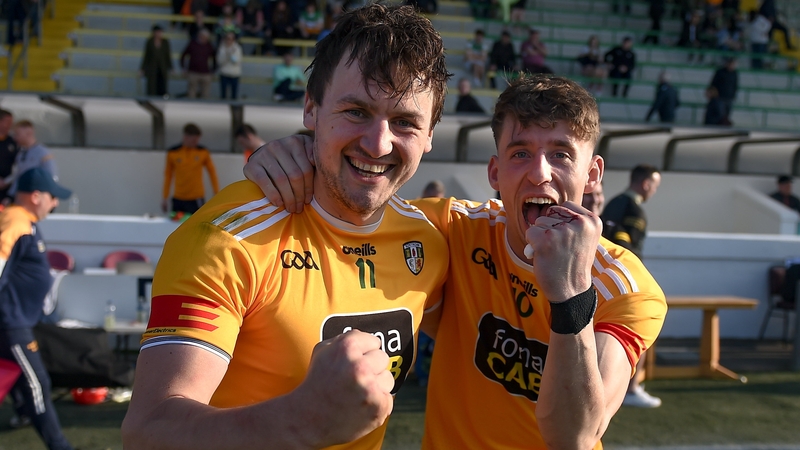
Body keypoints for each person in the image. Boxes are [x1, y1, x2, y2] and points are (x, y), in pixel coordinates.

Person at [245, 74, 668, 449]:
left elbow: (574, 437)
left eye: (561, 155)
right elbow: (354, 202)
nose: (540, 173)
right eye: (520, 153)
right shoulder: (454, 228)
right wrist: (302, 154)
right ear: (495, 173)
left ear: (592, 174)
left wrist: (570, 295)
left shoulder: (627, 289)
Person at [122, 5, 452, 449]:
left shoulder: (429, 239)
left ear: (430, 135)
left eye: (405, 122)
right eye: (356, 111)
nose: (378, 144)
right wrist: (302, 422)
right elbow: (148, 432)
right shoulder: (226, 239)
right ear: (311, 108)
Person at [0, 167, 74, 450]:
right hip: (11, 323)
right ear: (35, 196)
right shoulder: (16, 220)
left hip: (16, 319)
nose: (54, 203)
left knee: (21, 378)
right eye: (52, 197)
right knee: (36, 383)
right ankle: (60, 446)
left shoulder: (24, 221)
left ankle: (22, 414)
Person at [600, 164, 661, 259]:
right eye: (655, 186)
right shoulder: (635, 212)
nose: (654, 191)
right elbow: (631, 250)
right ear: (646, 185)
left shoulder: (613, 203)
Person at [161, 123, 219, 216]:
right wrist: (165, 197)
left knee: (197, 223)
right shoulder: (173, 153)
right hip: (178, 198)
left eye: (197, 140)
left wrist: (216, 192)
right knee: (177, 223)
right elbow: (168, 176)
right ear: (185, 137)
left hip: (196, 198)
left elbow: (212, 173)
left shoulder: (203, 152)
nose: (195, 143)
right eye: (193, 140)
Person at [2, 120, 58, 200]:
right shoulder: (21, 154)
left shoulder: (43, 153)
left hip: (36, 198)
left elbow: (52, 176)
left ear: (28, 133)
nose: (15, 138)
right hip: (22, 197)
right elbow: (18, 176)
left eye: (17, 134)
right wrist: (9, 195)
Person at [181, 28, 217, 99]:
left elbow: (215, 58)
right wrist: (184, 67)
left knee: (205, 94)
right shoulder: (192, 44)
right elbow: (183, 55)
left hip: (205, 73)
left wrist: (213, 70)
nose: (204, 39)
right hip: (193, 72)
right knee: (191, 94)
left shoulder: (209, 46)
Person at [139, 25, 173, 98]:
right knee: (152, 86)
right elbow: (146, 56)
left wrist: (171, 67)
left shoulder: (165, 42)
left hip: (162, 68)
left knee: (162, 85)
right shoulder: (150, 42)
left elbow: (167, 55)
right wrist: (142, 68)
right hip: (152, 68)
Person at [709, 57, 738, 125]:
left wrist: (733, 95)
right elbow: (714, 84)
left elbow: (735, 85)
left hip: (729, 97)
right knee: (720, 114)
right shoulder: (720, 72)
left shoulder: (734, 73)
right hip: (720, 97)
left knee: (727, 114)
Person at [216, 31, 243, 100]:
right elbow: (220, 61)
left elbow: (237, 61)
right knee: (223, 95)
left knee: (234, 96)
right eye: (227, 38)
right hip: (224, 73)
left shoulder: (237, 48)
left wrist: (230, 54)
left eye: (231, 39)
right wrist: (228, 55)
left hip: (234, 74)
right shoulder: (221, 48)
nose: (229, 40)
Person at [0, 110, 19, 202]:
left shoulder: (13, 142)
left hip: (6, 188)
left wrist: (7, 181)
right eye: (7, 122)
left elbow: (19, 165)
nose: (10, 125)